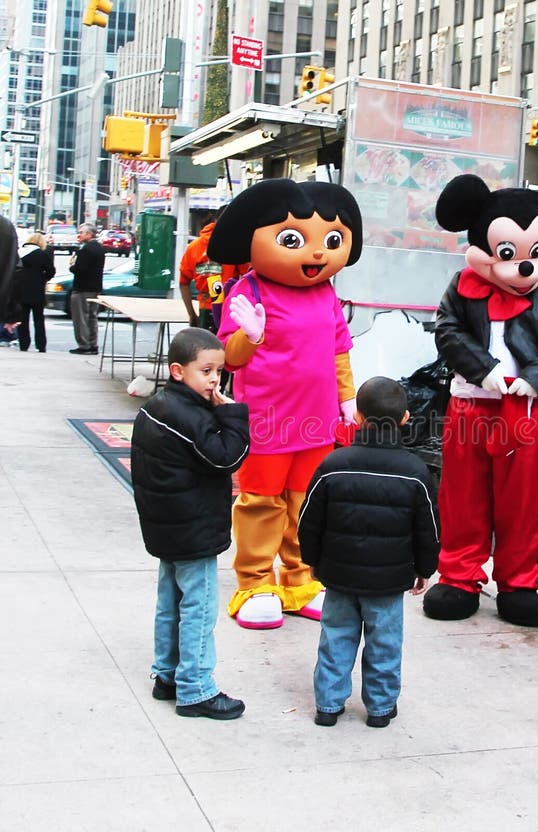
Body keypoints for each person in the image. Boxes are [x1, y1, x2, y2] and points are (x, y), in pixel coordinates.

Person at [423, 169, 538, 628]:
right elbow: (448, 331)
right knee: (463, 494)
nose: (525, 267)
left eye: (536, 253)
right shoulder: (461, 289)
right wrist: (488, 370)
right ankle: (459, 576)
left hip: (528, 409)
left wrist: (535, 377)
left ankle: (519, 581)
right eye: (508, 254)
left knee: (525, 501)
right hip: (471, 404)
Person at [209, 179, 363, 630]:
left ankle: (299, 580)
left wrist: (348, 398)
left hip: (316, 421)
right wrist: (249, 335)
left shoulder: (326, 294)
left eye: (331, 241)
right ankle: (255, 581)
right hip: (267, 420)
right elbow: (230, 359)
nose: (317, 253)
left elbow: (339, 351)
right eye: (295, 240)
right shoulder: (248, 292)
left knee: (306, 502)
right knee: (260, 501)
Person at [298, 376, 440, 728]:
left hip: (340, 576)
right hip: (389, 581)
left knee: (336, 638)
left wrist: (313, 560)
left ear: (358, 418)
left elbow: (308, 520)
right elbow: (430, 529)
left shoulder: (334, 464)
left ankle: (329, 705)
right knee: (385, 644)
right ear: (406, 418)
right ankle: (380, 708)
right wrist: (425, 568)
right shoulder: (415, 471)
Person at [130, 327, 251, 720]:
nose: (215, 379)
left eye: (219, 371)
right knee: (197, 607)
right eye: (207, 371)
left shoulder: (158, 406)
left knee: (170, 601)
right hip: (193, 528)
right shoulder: (190, 418)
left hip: (166, 525)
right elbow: (227, 458)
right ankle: (196, 688)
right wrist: (231, 414)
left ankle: (167, 675)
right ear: (179, 371)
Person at [178, 211, 249, 331]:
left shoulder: (193, 247)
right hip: (229, 309)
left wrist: (191, 314)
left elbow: (183, 282)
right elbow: (248, 277)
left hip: (205, 309)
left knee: (206, 347)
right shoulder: (234, 246)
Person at [15, 232, 55, 353]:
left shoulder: (19, 253)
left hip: (21, 290)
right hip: (37, 290)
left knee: (23, 319)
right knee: (39, 319)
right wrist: (44, 277)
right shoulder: (42, 254)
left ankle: (24, 344)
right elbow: (51, 271)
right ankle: (41, 345)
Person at [68, 223, 105, 354]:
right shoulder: (100, 248)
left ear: (89, 234)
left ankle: (84, 345)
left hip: (82, 288)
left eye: (82, 232)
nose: (80, 234)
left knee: (81, 318)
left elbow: (80, 269)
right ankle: (93, 344)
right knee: (92, 317)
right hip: (95, 288)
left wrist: (72, 266)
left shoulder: (86, 249)